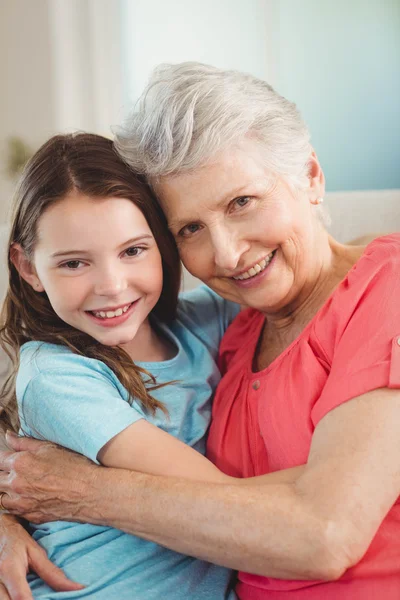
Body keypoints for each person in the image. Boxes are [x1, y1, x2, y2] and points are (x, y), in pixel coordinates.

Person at [1, 62, 400, 599]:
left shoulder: (378, 292)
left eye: (242, 202)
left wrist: (83, 493)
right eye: (190, 228)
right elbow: (41, 432)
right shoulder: (230, 324)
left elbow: (324, 531)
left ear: (311, 177)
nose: (228, 254)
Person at [0, 131, 263, 599]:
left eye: (132, 251)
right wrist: (320, 491)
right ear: (28, 269)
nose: (112, 286)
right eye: (74, 264)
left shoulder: (202, 322)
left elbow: (333, 270)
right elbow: (226, 502)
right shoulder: (55, 376)